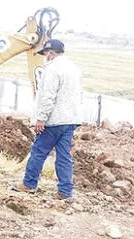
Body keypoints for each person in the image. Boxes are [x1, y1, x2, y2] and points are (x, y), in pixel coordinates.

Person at [12, 39, 83, 200]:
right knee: (64, 156)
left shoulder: (52, 70)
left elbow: (47, 97)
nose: (44, 56)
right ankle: (65, 191)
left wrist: (41, 119)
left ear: (50, 53)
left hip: (54, 120)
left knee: (38, 152)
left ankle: (29, 184)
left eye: (45, 53)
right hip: (70, 119)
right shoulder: (74, 69)